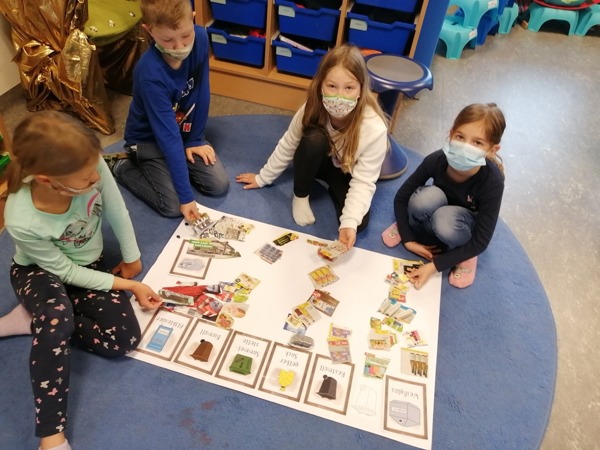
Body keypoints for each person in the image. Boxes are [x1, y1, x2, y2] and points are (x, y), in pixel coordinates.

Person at [0, 111, 163, 450]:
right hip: (39, 272)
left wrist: (131, 256)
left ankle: (35, 318)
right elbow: (65, 272)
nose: (96, 178)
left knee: (122, 340)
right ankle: (51, 436)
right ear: (47, 180)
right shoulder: (21, 218)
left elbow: (115, 207)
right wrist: (131, 286)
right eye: (87, 180)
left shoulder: (87, 162)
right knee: (57, 317)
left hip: (88, 265)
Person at [236, 44, 389, 250]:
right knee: (313, 139)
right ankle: (301, 195)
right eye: (332, 86)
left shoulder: (374, 128)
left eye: (349, 88)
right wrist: (263, 178)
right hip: (315, 159)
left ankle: (331, 187)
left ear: (361, 88)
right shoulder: (312, 107)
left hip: (345, 171)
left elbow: (364, 181)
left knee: (358, 224)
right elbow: (289, 143)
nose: (340, 96)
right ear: (320, 85)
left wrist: (349, 222)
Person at [110, 0, 229, 221]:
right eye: (168, 40)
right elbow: (167, 136)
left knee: (218, 184)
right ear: (149, 30)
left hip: (181, 132)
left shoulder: (201, 38)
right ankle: (123, 167)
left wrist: (195, 139)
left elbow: (201, 90)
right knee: (173, 206)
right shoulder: (150, 73)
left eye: (185, 35)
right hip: (148, 140)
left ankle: (172, 164)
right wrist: (186, 197)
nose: (179, 46)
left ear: (193, 18)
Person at [382, 103, 506, 289]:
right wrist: (408, 239)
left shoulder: (492, 181)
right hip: (438, 204)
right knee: (422, 201)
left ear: (492, 150)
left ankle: (465, 255)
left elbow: (481, 241)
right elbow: (402, 197)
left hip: (459, 222)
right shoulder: (437, 159)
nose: (465, 147)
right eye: (460, 137)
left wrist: (434, 266)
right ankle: (407, 224)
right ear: (451, 134)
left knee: (444, 220)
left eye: (477, 143)